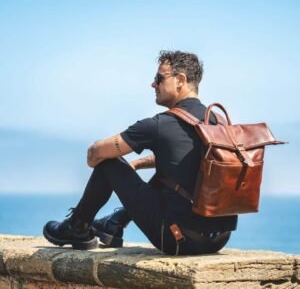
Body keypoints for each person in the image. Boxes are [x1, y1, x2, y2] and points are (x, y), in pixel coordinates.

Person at [43, 50, 238, 255]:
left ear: (180, 80)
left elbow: (95, 154)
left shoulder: (160, 125)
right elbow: (180, 159)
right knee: (168, 174)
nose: (153, 84)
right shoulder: (217, 123)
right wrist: (136, 165)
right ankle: (115, 221)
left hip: (177, 240)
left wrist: (115, 168)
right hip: (218, 239)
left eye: (158, 78)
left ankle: (77, 227)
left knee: (109, 162)